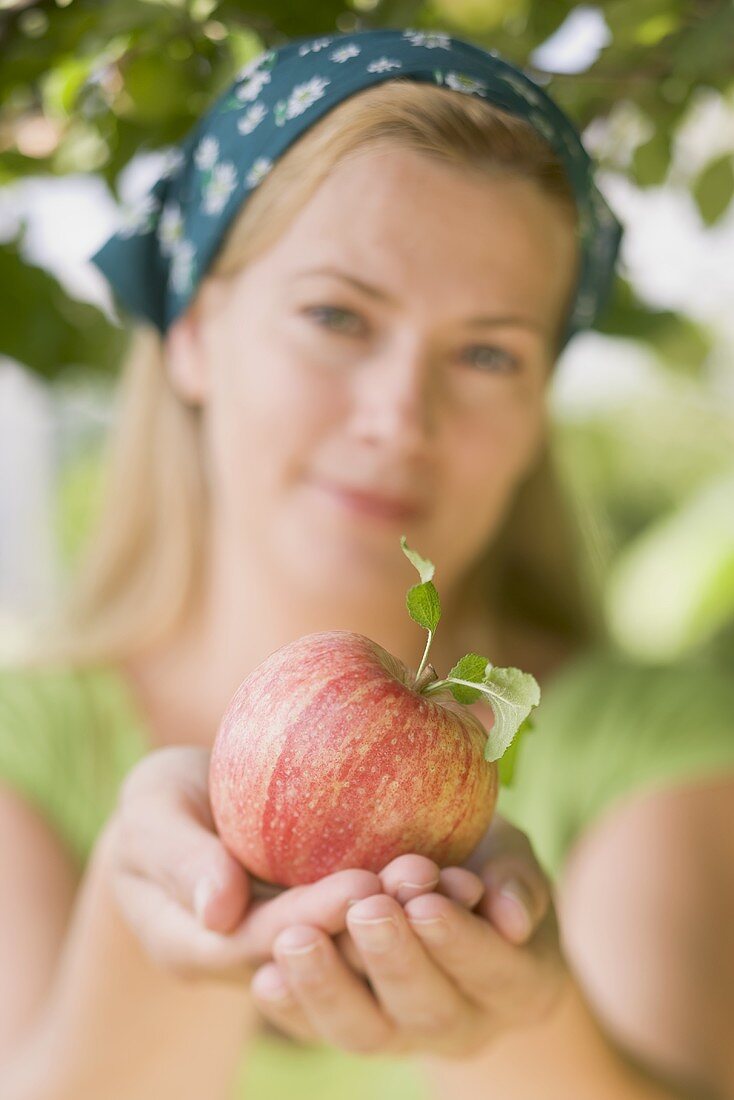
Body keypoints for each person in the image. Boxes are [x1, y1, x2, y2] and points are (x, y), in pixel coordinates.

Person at [1, 25, 733, 1100]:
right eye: (336, 314)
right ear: (197, 329)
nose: (399, 416)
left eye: (488, 351)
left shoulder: (656, 745)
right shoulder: (22, 749)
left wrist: (521, 1020)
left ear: (539, 407)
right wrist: (144, 916)